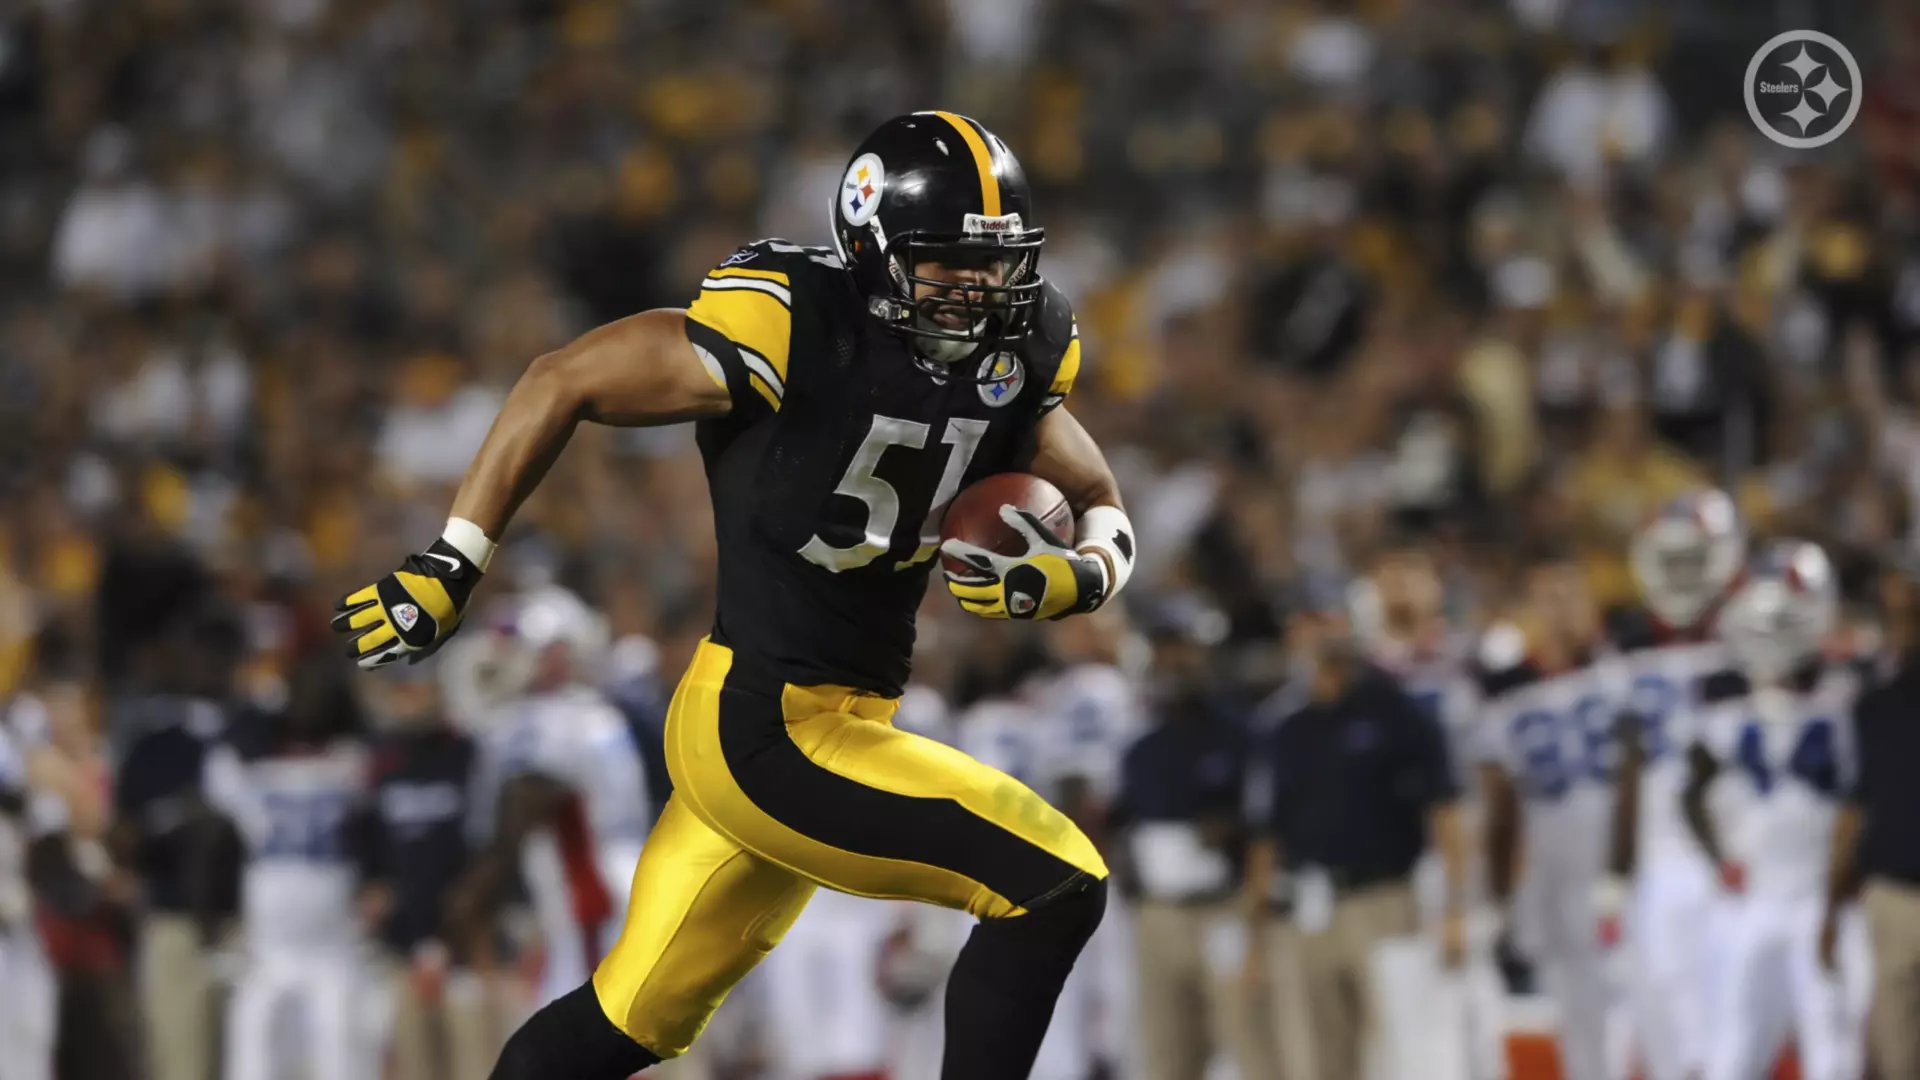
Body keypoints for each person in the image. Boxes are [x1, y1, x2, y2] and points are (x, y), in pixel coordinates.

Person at [333, 111, 1138, 1080]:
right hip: (769, 728)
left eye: (995, 263)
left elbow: (1100, 499)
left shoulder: (1019, 352)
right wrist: (455, 560)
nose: (980, 288)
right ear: (876, 249)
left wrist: (1078, 574)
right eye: (949, 262)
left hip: (828, 724)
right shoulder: (796, 318)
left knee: (620, 1024)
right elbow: (563, 379)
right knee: (1056, 885)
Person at [1246, 576, 1470, 1080]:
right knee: (1318, 1061)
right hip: (1306, 911)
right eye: (1302, 626)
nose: (1312, 637)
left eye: (1322, 622)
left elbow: (1446, 813)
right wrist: (1257, 935)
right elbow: (1267, 837)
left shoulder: (1398, 710)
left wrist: (1456, 907)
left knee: (1406, 1056)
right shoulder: (1284, 727)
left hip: (1385, 902)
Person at [1680, 540, 1869, 1080]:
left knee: (1833, 1053)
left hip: (1826, 896)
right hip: (1755, 895)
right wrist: (1720, 859)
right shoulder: (1725, 690)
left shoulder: (1853, 688)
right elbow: (1692, 788)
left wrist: (1852, 878)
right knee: (1731, 1051)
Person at [1602, 490, 1744, 1080]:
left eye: (1694, 558)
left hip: (1738, 846)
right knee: (1664, 1015)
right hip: (1660, 855)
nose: (1683, 574)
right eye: (1672, 559)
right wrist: (1615, 870)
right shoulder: (1627, 646)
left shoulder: (1746, 632)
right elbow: (1627, 765)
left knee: (1730, 1022)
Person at [453, 585, 648, 1012]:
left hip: (585, 880)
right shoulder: (526, 720)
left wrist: (488, 886)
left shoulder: (584, 719)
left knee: (590, 1014)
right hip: (560, 883)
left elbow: (526, 809)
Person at [1475, 551, 1622, 1080]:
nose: (1559, 609)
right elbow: (1501, 805)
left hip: (1632, 863)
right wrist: (1503, 895)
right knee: (1577, 1010)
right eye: (1546, 597)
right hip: (1557, 868)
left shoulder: (1623, 667)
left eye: (1569, 594)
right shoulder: (1505, 692)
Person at [203, 661, 386, 1080]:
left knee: (340, 1050)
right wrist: (268, 699)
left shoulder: (350, 764)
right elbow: (221, 753)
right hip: (269, 945)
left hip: (334, 942)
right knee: (256, 1052)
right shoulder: (254, 773)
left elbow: (375, 828)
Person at [362, 661, 493, 1080]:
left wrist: (459, 927)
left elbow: (487, 845)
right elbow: (368, 846)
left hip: (463, 943)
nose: (410, 699)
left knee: (474, 1058)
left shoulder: (466, 753)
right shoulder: (380, 759)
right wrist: (373, 889)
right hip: (401, 944)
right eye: (401, 690)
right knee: (412, 1059)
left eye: (418, 688)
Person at [1822, 548, 1920, 1080]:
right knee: (1889, 1055)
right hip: (1889, 900)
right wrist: (1831, 906)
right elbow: (1854, 812)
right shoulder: (1872, 698)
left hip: (1888, 897)